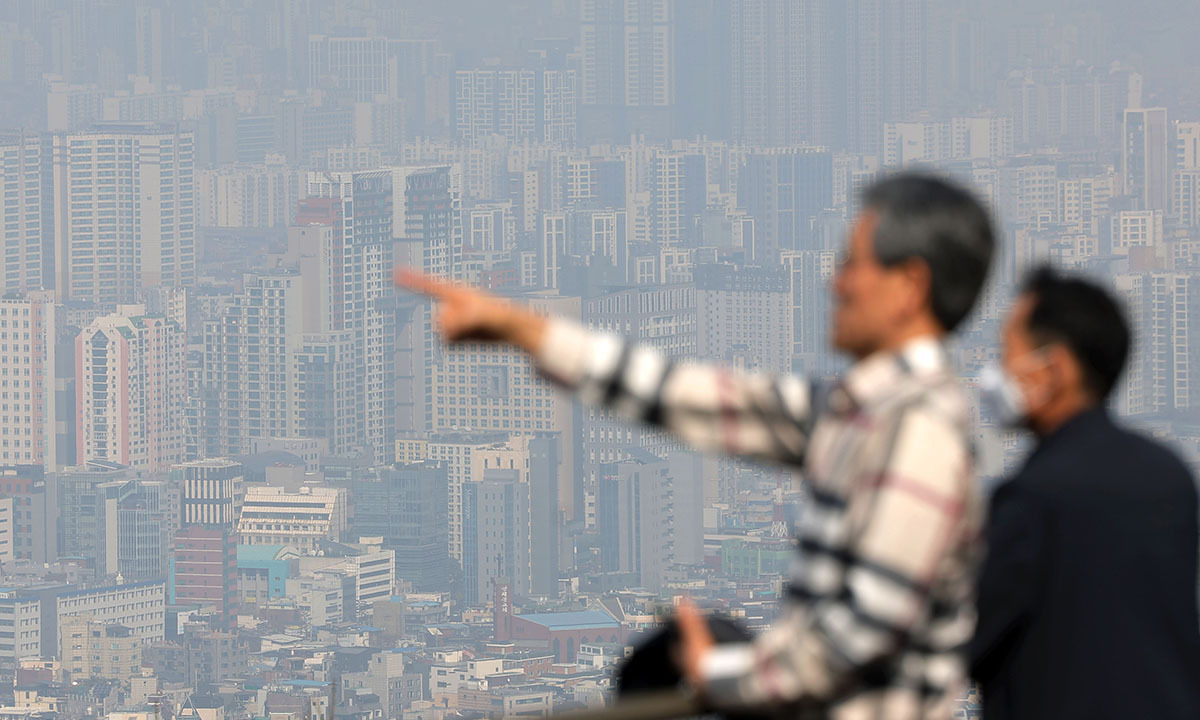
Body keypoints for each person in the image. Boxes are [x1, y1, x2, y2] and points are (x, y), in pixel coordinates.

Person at [397, 173, 996, 718]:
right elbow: (690, 397)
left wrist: (715, 673)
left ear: (909, 285)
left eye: (851, 264)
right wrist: (521, 329)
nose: (833, 282)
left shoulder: (917, 434)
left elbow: (856, 636)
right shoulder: (862, 414)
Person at [971, 267, 1200, 719]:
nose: (997, 373)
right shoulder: (1170, 476)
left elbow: (975, 635)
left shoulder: (1034, 495)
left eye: (1007, 353)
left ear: (1054, 369)